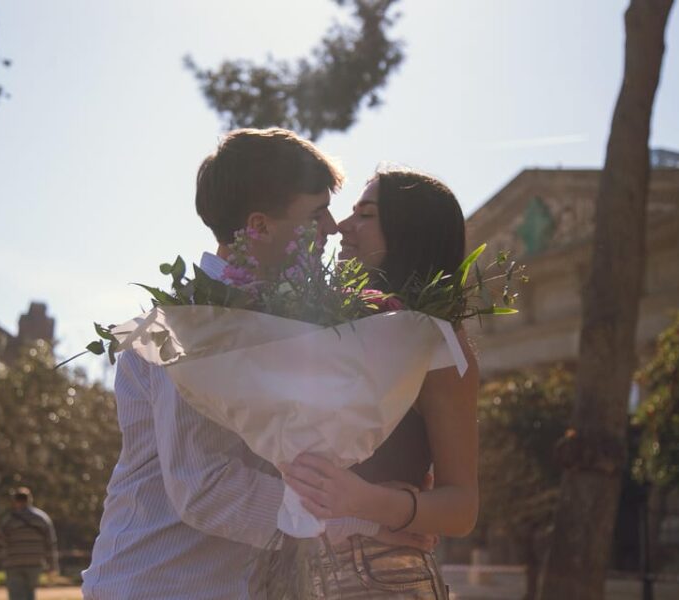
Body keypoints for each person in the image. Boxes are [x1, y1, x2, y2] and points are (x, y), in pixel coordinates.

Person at [82, 129, 428, 600]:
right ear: (260, 227)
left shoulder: (279, 320)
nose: (331, 227)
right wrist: (364, 520)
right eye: (315, 212)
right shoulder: (178, 328)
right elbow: (205, 487)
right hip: (156, 582)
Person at [281, 169, 481, 599]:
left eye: (365, 215)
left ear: (408, 233)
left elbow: (462, 506)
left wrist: (371, 505)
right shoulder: (317, 324)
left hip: (383, 577)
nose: (342, 227)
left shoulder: (438, 341)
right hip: (294, 575)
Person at [0, 487, 58, 600]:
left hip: (13, 563)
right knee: (30, 594)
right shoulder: (41, 518)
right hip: (35, 563)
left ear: (15, 501)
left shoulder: (9, 520)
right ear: (29, 500)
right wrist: (52, 566)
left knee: (15, 595)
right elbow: (50, 544)